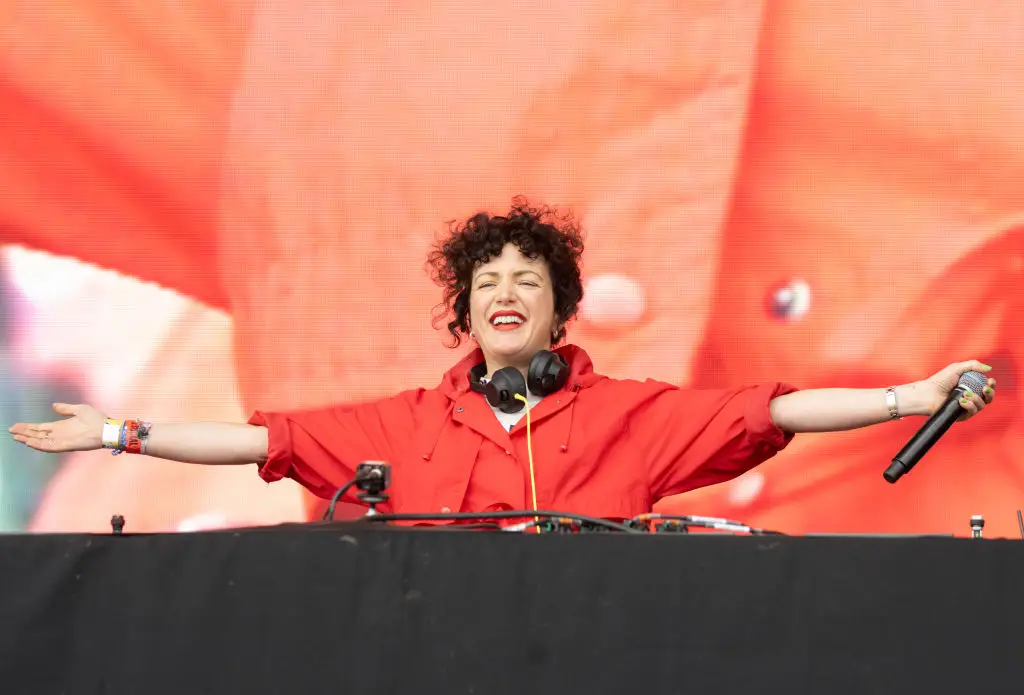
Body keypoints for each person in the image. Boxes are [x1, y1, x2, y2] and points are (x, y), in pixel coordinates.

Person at [8, 200, 997, 524]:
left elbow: (775, 412)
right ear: (464, 311)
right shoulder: (398, 423)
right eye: (486, 285)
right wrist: (112, 433)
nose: (505, 297)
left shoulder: (635, 414)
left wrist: (910, 394)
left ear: (561, 305)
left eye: (526, 280)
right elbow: (253, 441)